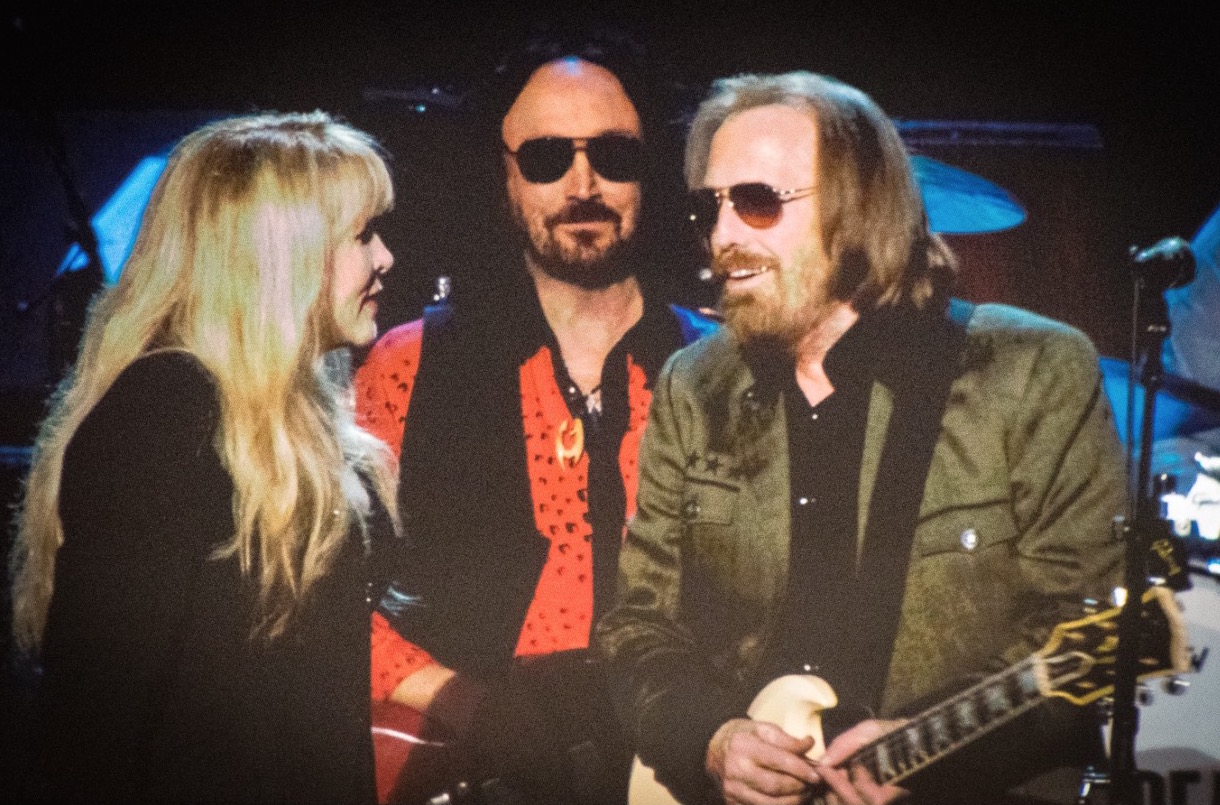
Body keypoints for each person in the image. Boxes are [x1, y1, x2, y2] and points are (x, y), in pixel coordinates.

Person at [594, 71, 1128, 805]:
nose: (723, 236)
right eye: (709, 207)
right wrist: (712, 739)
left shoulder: (1028, 369)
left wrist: (930, 749)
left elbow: (1079, 629)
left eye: (757, 203)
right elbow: (639, 625)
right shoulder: (696, 383)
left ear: (859, 208)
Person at [354, 39, 715, 804]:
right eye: (548, 157)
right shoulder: (407, 364)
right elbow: (324, 602)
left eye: (614, 155)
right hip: (465, 764)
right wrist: (461, 700)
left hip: (675, 758)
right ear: (505, 177)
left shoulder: (719, 365)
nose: (583, 184)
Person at [9, 111, 400, 803]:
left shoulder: (290, 419)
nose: (384, 258)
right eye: (362, 234)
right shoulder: (165, 413)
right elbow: (93, 724)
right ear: (282, 252)